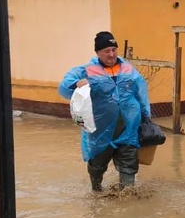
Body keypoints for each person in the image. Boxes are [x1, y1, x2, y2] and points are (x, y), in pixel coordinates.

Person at [58, 31, 152, 191]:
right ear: (97, 53)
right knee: (97, 165)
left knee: (129, 164)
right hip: (100, 132)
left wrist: (146, 117)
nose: (111, 54)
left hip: (128, 130)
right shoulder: (86, 70)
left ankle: (127, 197)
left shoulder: (128, 69)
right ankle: (96, 190)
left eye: (114, 50)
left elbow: (141, 93)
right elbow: (64, 87)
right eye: (106, 51)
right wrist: (76, 84)